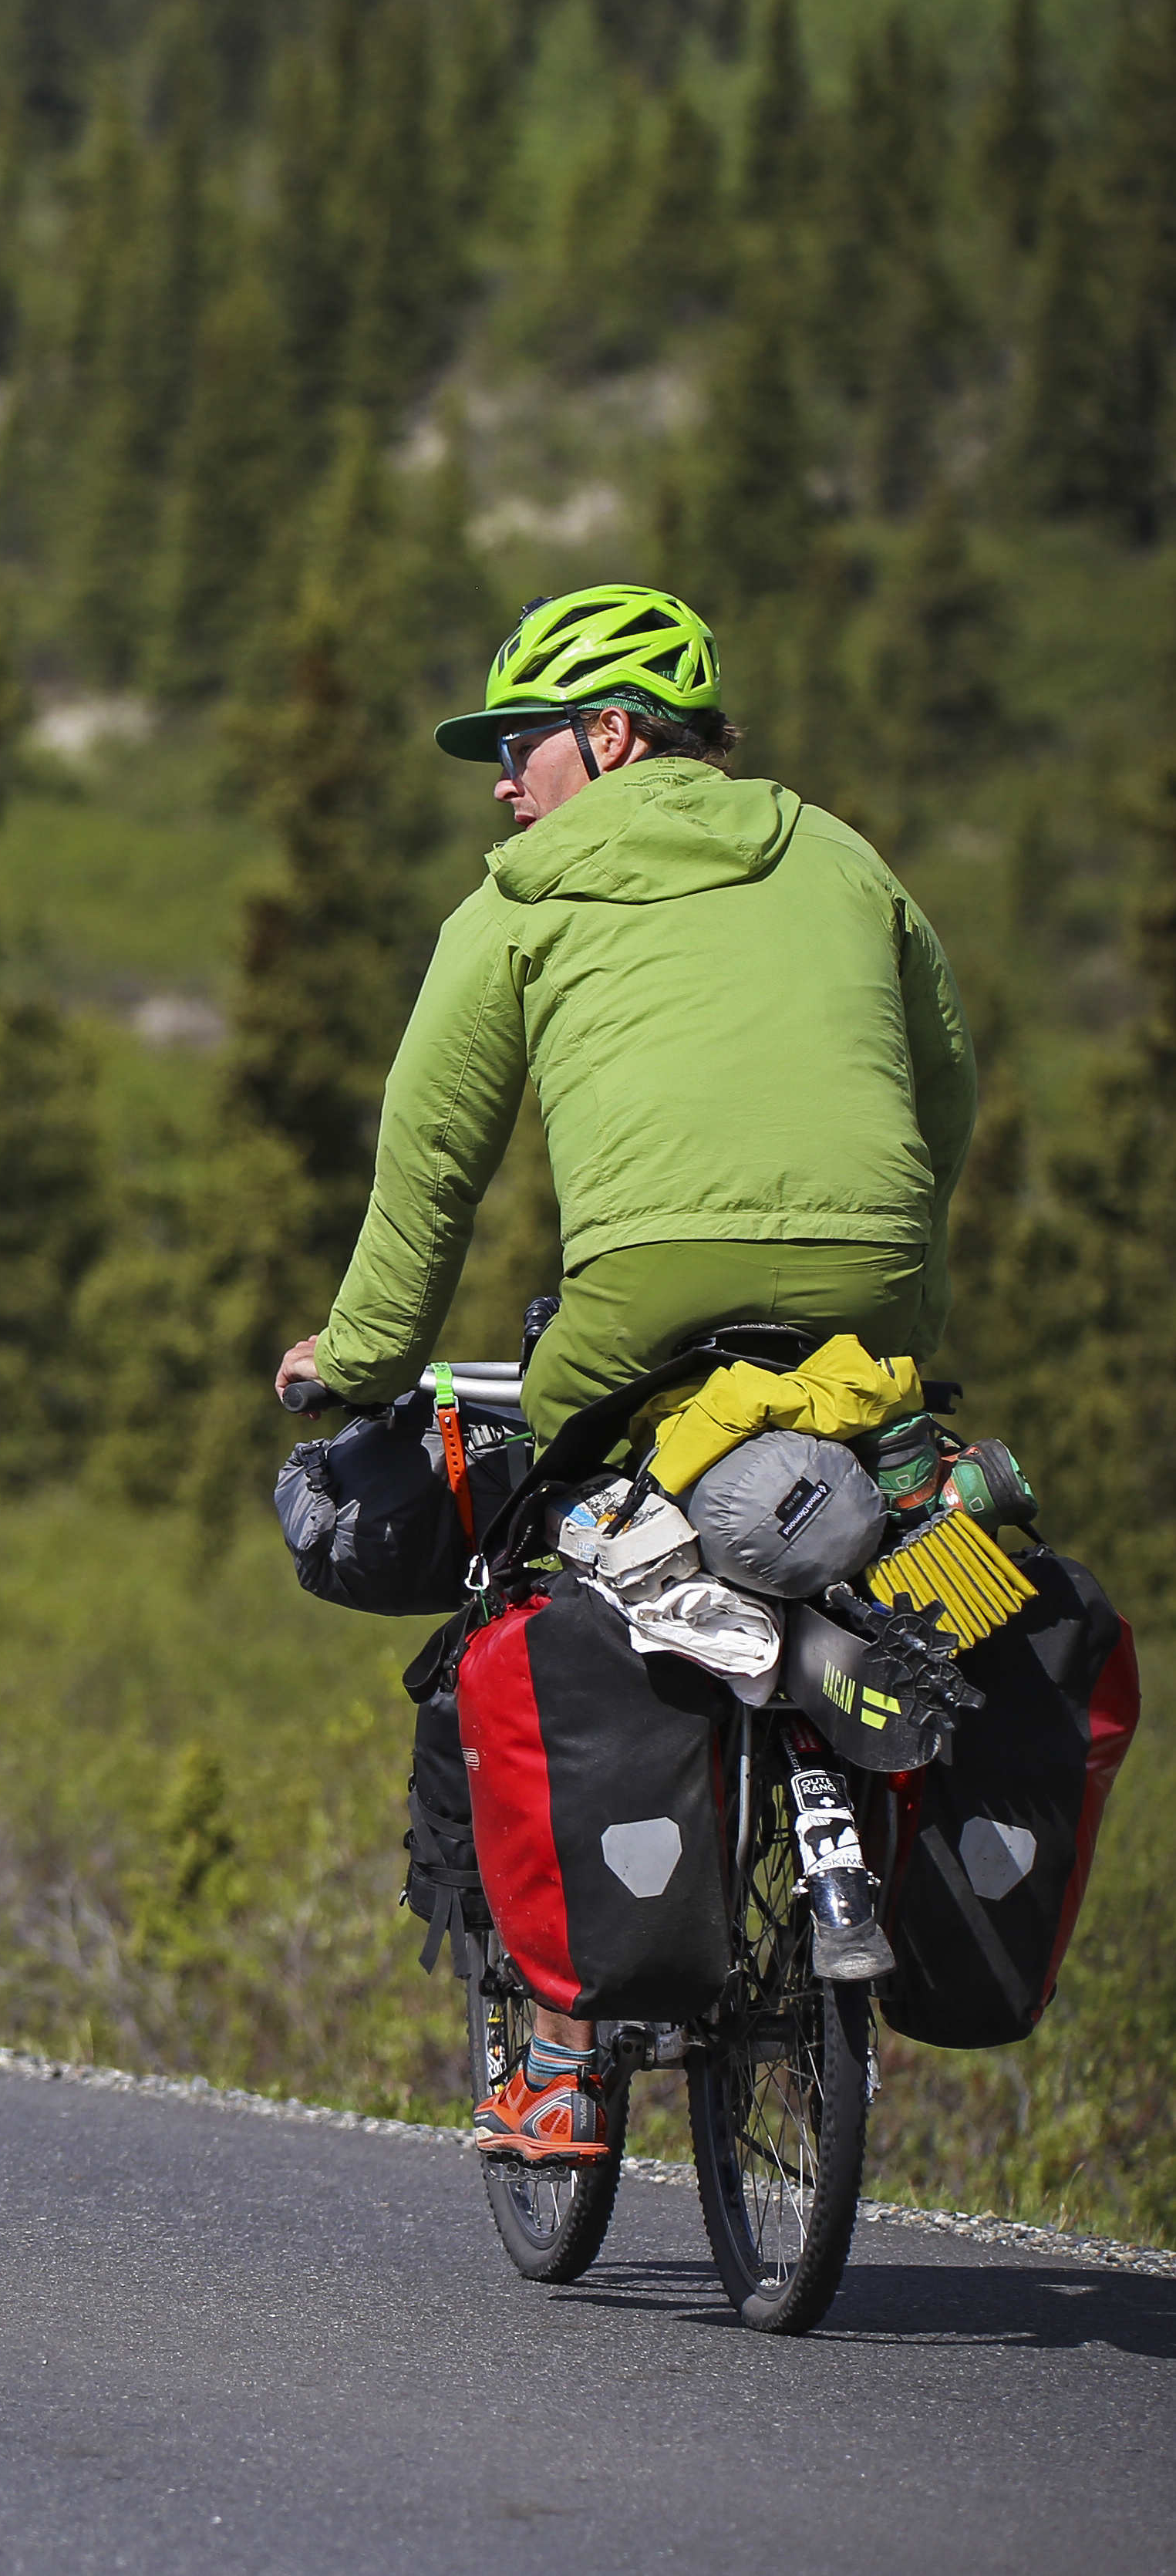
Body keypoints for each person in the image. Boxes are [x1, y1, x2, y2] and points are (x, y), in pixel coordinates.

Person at [271, 584, 976, 2166]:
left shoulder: (515, 900)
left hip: (646, 1302)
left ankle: (563, 2058)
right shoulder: (842, 856)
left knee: (533, 1590)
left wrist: (358, 1358)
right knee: (907, 1547)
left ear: (606, 735)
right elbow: (944, 1084)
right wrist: (896, 1281)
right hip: (867, 1304)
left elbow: (427, 1171)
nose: (500, 784)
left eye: (516, 745)